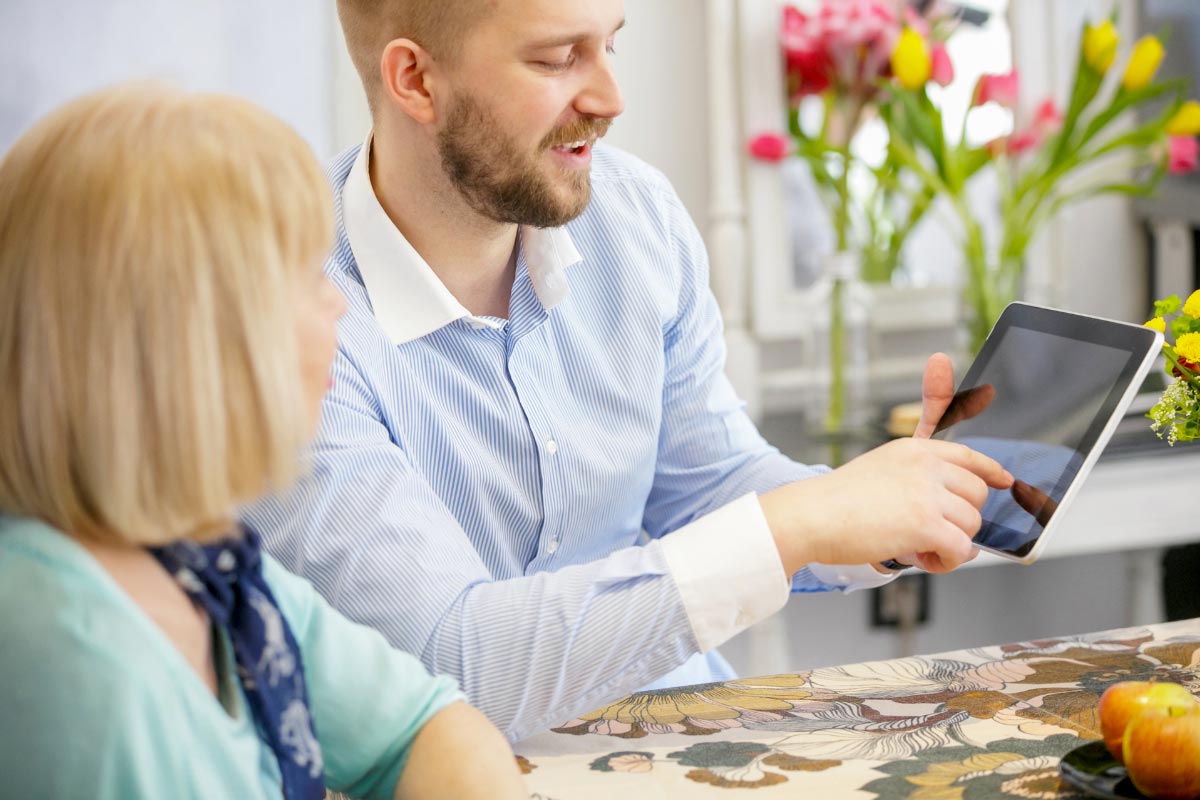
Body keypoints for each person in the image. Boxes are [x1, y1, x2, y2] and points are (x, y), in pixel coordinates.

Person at [246, 0, 1014, 742]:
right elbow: (454, 663)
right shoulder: (281, 311)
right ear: (414, 80)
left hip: (678, 734)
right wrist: (798, 522)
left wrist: (874, 508)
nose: (611, 99)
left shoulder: (638, 217)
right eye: (556, 59)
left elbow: (705, 482)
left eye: (609, 43)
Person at [0, 84, 527, 799]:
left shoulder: (201, 561)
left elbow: (427, 730)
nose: (337, 302)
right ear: (192, 342)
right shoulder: (76, 660)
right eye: (307, 276)